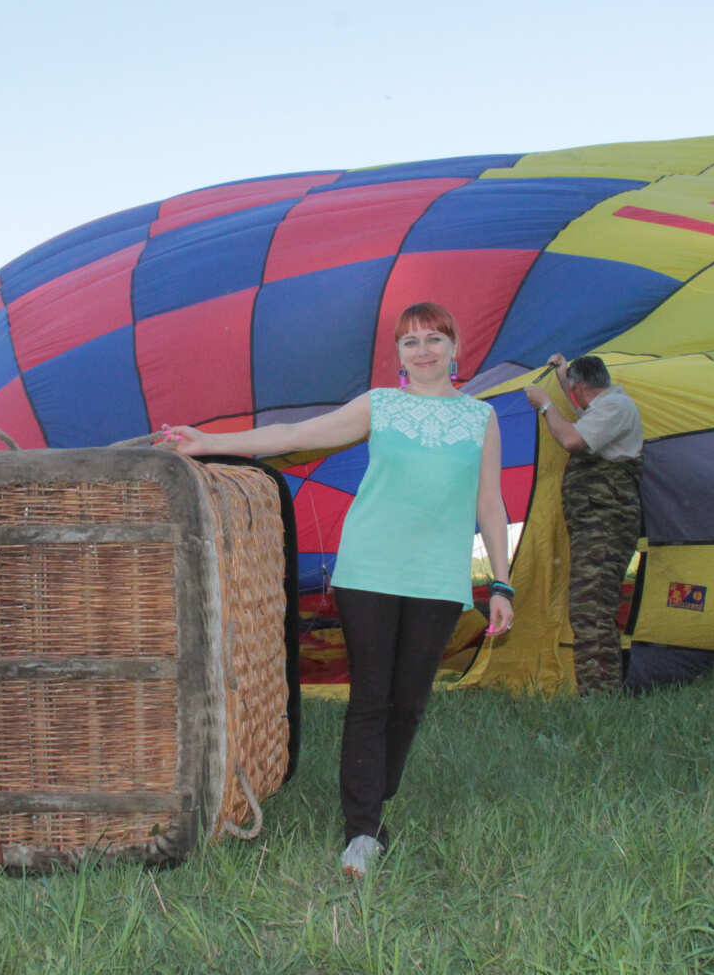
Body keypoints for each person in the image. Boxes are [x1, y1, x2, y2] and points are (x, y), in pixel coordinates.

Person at [158, 302, 514, 878]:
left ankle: (375, 788)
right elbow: (295, 433)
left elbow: (490, 504)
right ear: (397, 356)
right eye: (410, 342)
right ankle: (363, 830)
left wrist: (501, 581)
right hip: (369, 570)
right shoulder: (381, 406)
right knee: (372, 698)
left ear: (455, 348)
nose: (423, 350)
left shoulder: (482, 419)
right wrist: (207, 443)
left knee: (410, 702)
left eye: (434, 339)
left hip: (439, 577)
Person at [523, 353, 643, 696]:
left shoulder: (615, 407)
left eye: (570, 388)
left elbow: (572, 439)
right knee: (592, 605)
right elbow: (583, 420)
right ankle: (600, 690)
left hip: (606, 524)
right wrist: (562, 374)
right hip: (599, 525)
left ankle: (600, 695)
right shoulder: (604, 409)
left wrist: (546, 404)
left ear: (580, 387)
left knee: (591, 609)